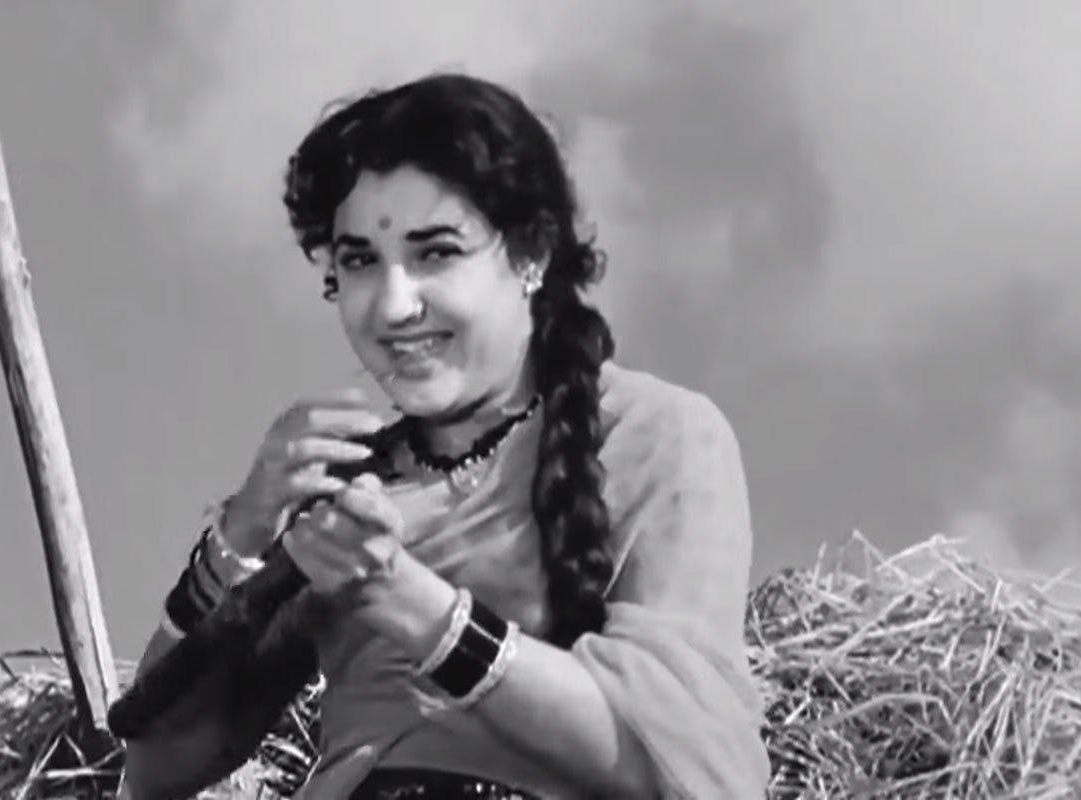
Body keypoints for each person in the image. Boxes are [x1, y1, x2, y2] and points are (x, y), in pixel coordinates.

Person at [119, 72, 770, 800]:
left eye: (435, 253)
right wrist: (242, 533)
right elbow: (152, 770)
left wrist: (413, 605)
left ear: (530, 254)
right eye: (359, 261)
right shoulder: (348, 489)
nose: (394, 307)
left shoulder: (658, 435)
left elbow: (697, 769)